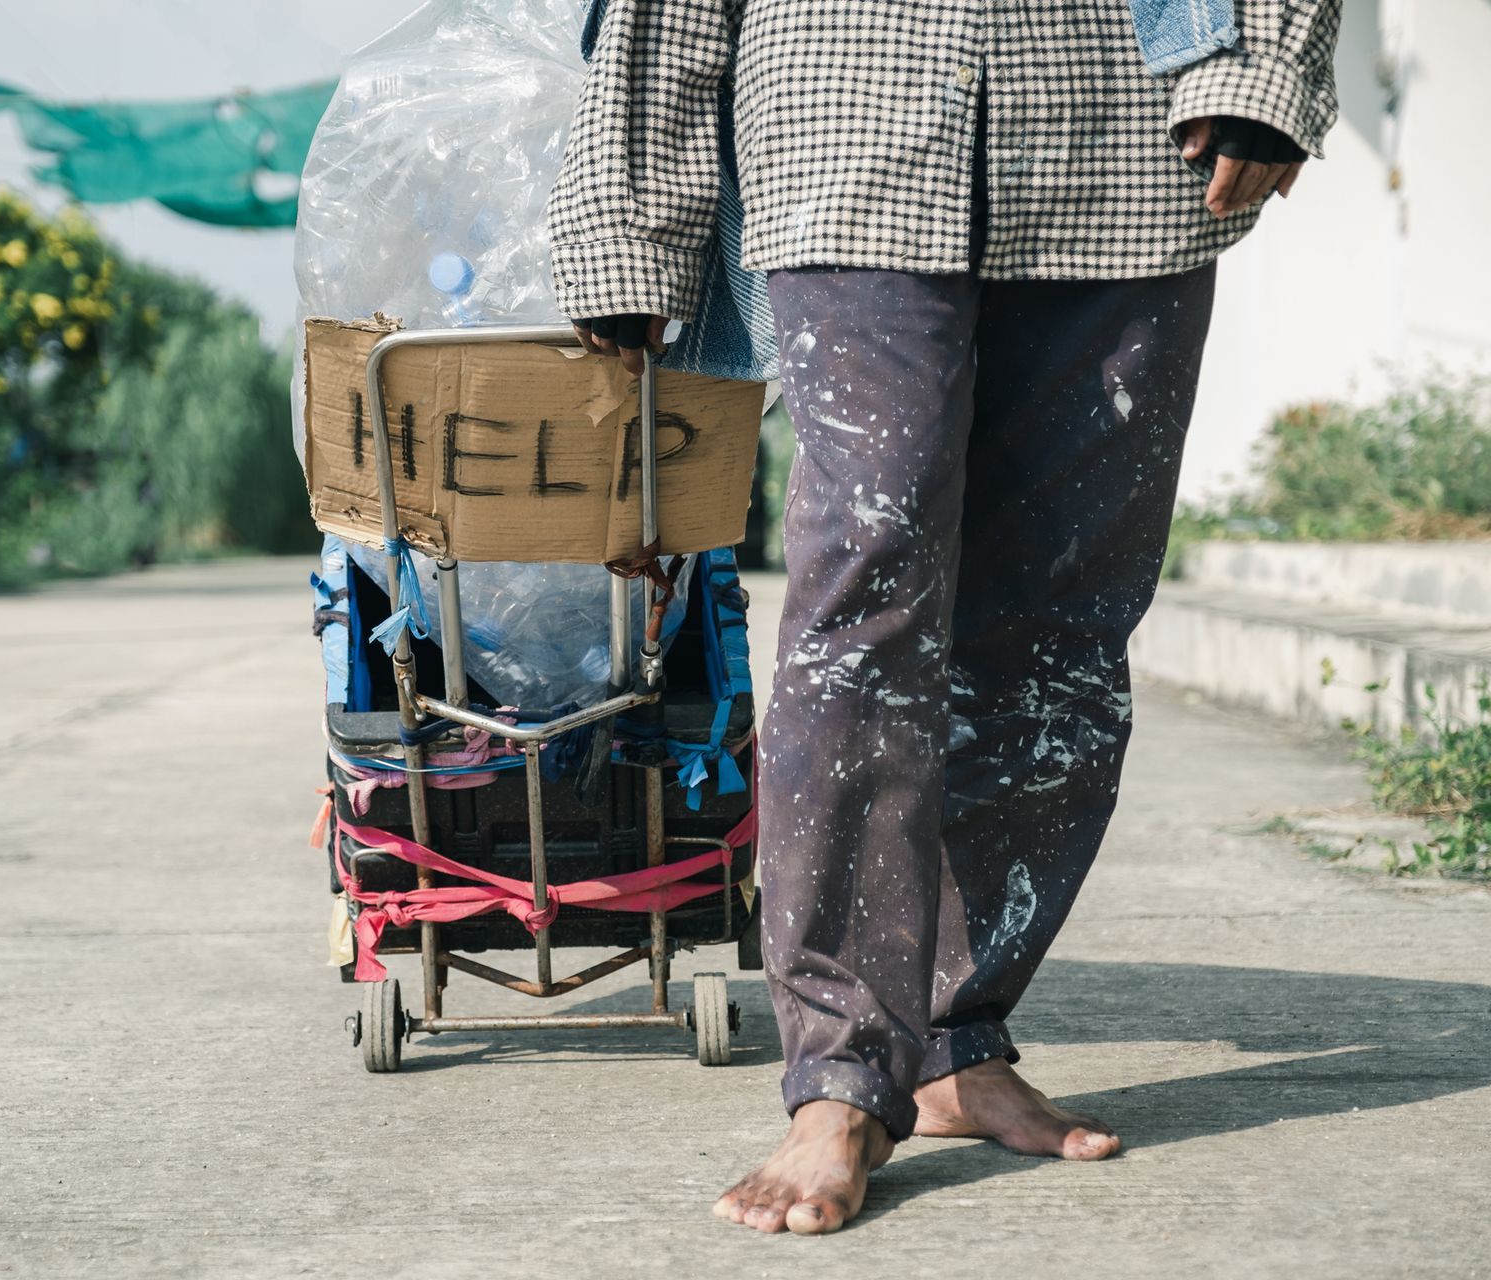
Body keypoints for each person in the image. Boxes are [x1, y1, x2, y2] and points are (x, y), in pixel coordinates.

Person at [547, 0, 1341, 1237]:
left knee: (1058, 627)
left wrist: (1274, 61)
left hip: (1126, 134)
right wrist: (630, 216)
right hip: (849, 114)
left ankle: (958, 1038)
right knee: (866, 594)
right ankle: (840, 1074)